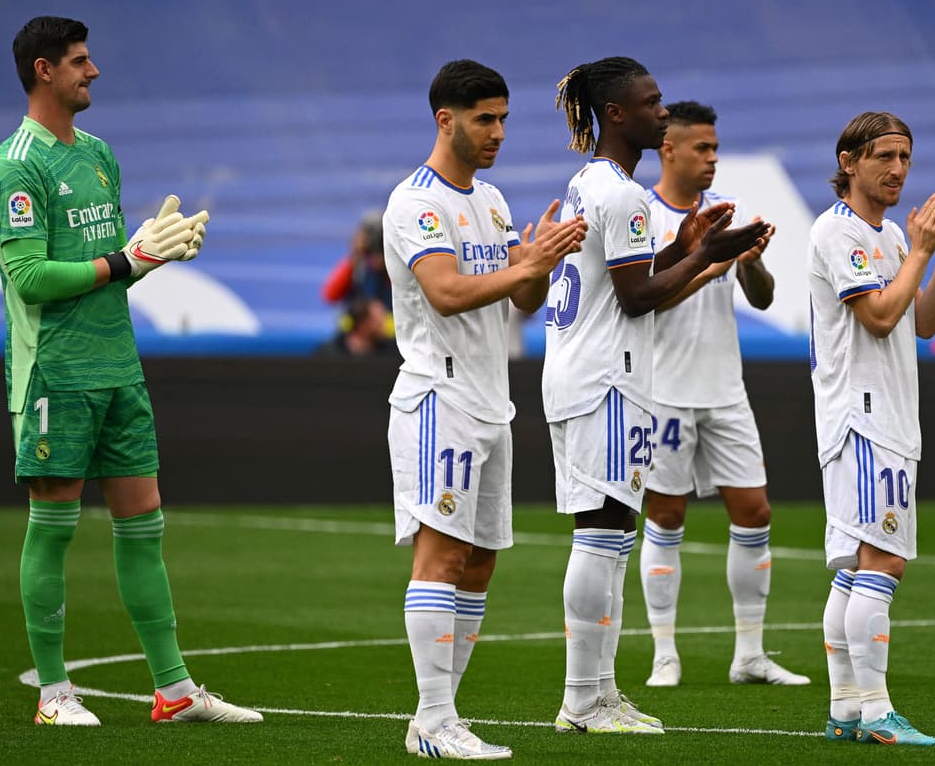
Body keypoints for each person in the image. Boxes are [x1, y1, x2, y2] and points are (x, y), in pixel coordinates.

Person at [0, 16, 260, 725]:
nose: (94, 70)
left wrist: (150, 254)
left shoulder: (101, 155)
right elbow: (30, 277)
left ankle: (172, 690)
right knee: (52, 526)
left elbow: (108, 277)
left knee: (144, 522)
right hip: (56, 372)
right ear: (44, 70)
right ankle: (53, 694)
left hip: (118, 367)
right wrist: (125, 260)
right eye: (79, 61)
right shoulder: (16, 165)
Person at [544, 58, 768, 734]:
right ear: (617, 114)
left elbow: (636, 273)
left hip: (585, 371)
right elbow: (637, 298)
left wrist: (689, 241)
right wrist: (702, 257)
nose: (662, 113)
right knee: (602, 533)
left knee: (611, 532)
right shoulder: (623, 194)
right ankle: (582, 699)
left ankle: (601, 694)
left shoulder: (592, 183)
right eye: (652, 104)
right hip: (607, 377)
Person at [382, 59, 586, 759]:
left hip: (490, 398)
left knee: (479, 561)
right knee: (440, 556)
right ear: (446, 119)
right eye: (484, 119)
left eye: (503, 118)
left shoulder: (493, 201)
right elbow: (445, 291)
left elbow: (517, 301)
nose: (498, 131)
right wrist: (525, 267)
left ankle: (436, 717)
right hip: (438, 396)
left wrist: (540, 262)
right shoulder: (417, 204)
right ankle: (435, 721)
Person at [808, 112, 935, 746]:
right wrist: (919, 249)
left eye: (906, 157)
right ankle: (879, 711)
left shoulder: (886, 236)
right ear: (848, 161)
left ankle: (847, 711)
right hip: (862, 417)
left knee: (856, 569)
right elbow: (880, 317)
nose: (898, 169)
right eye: (884, 155)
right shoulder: (838, 233)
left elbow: (925, 321)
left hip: (888, 415)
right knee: (882, 560)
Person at [638, 100, 808, 688]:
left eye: (716, 148)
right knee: (665, 513)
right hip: (664, 390)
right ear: (669, 149)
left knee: (755, 510)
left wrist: (750, 264)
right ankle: (665, 652)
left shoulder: (722, 217)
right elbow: (645, 303)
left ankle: (750, 655)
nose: (712, 158)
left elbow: (759, 299)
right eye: (701, 148)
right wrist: (707, 264)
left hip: (725, 389)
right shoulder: (646, 217)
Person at [314, 295, 398, 357]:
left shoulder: (392, 352)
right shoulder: (328, 354)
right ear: (363, 324)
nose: (385, 323)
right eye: (379, 320)